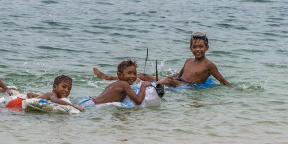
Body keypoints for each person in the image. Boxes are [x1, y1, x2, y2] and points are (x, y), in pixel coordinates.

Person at [93, 32, 231, 87]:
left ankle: (148, 86)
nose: (198, 49)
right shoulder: (188, 60)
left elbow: (222, 80)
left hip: (187, 87)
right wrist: (171, 76)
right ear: (190, 48)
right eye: (194, 47)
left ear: (207, 48)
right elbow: (179, 75)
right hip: (180, 80)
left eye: (201, 46)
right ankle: (108, 77)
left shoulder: (209, 65)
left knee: (168, 81)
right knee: (144, 75)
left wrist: (234, 89)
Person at [80, 60, 153, 107]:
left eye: (135, 73)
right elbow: (138, 101)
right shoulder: (124, 84)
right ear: (119, 75)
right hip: (92, 105)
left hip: (88, 101)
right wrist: (143, 85)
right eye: (129, 73)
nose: (133, 76)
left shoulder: (114, 84)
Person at [6, 75, 85, 112]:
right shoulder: (52, 95)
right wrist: (75, 107)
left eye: (69, 89)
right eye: (64, 86)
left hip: (18, 102)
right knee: (1, 112)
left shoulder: (48, 95)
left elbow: (31, 94)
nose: (66, 90)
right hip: (17, 103)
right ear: (54, 87)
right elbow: (56, 101)